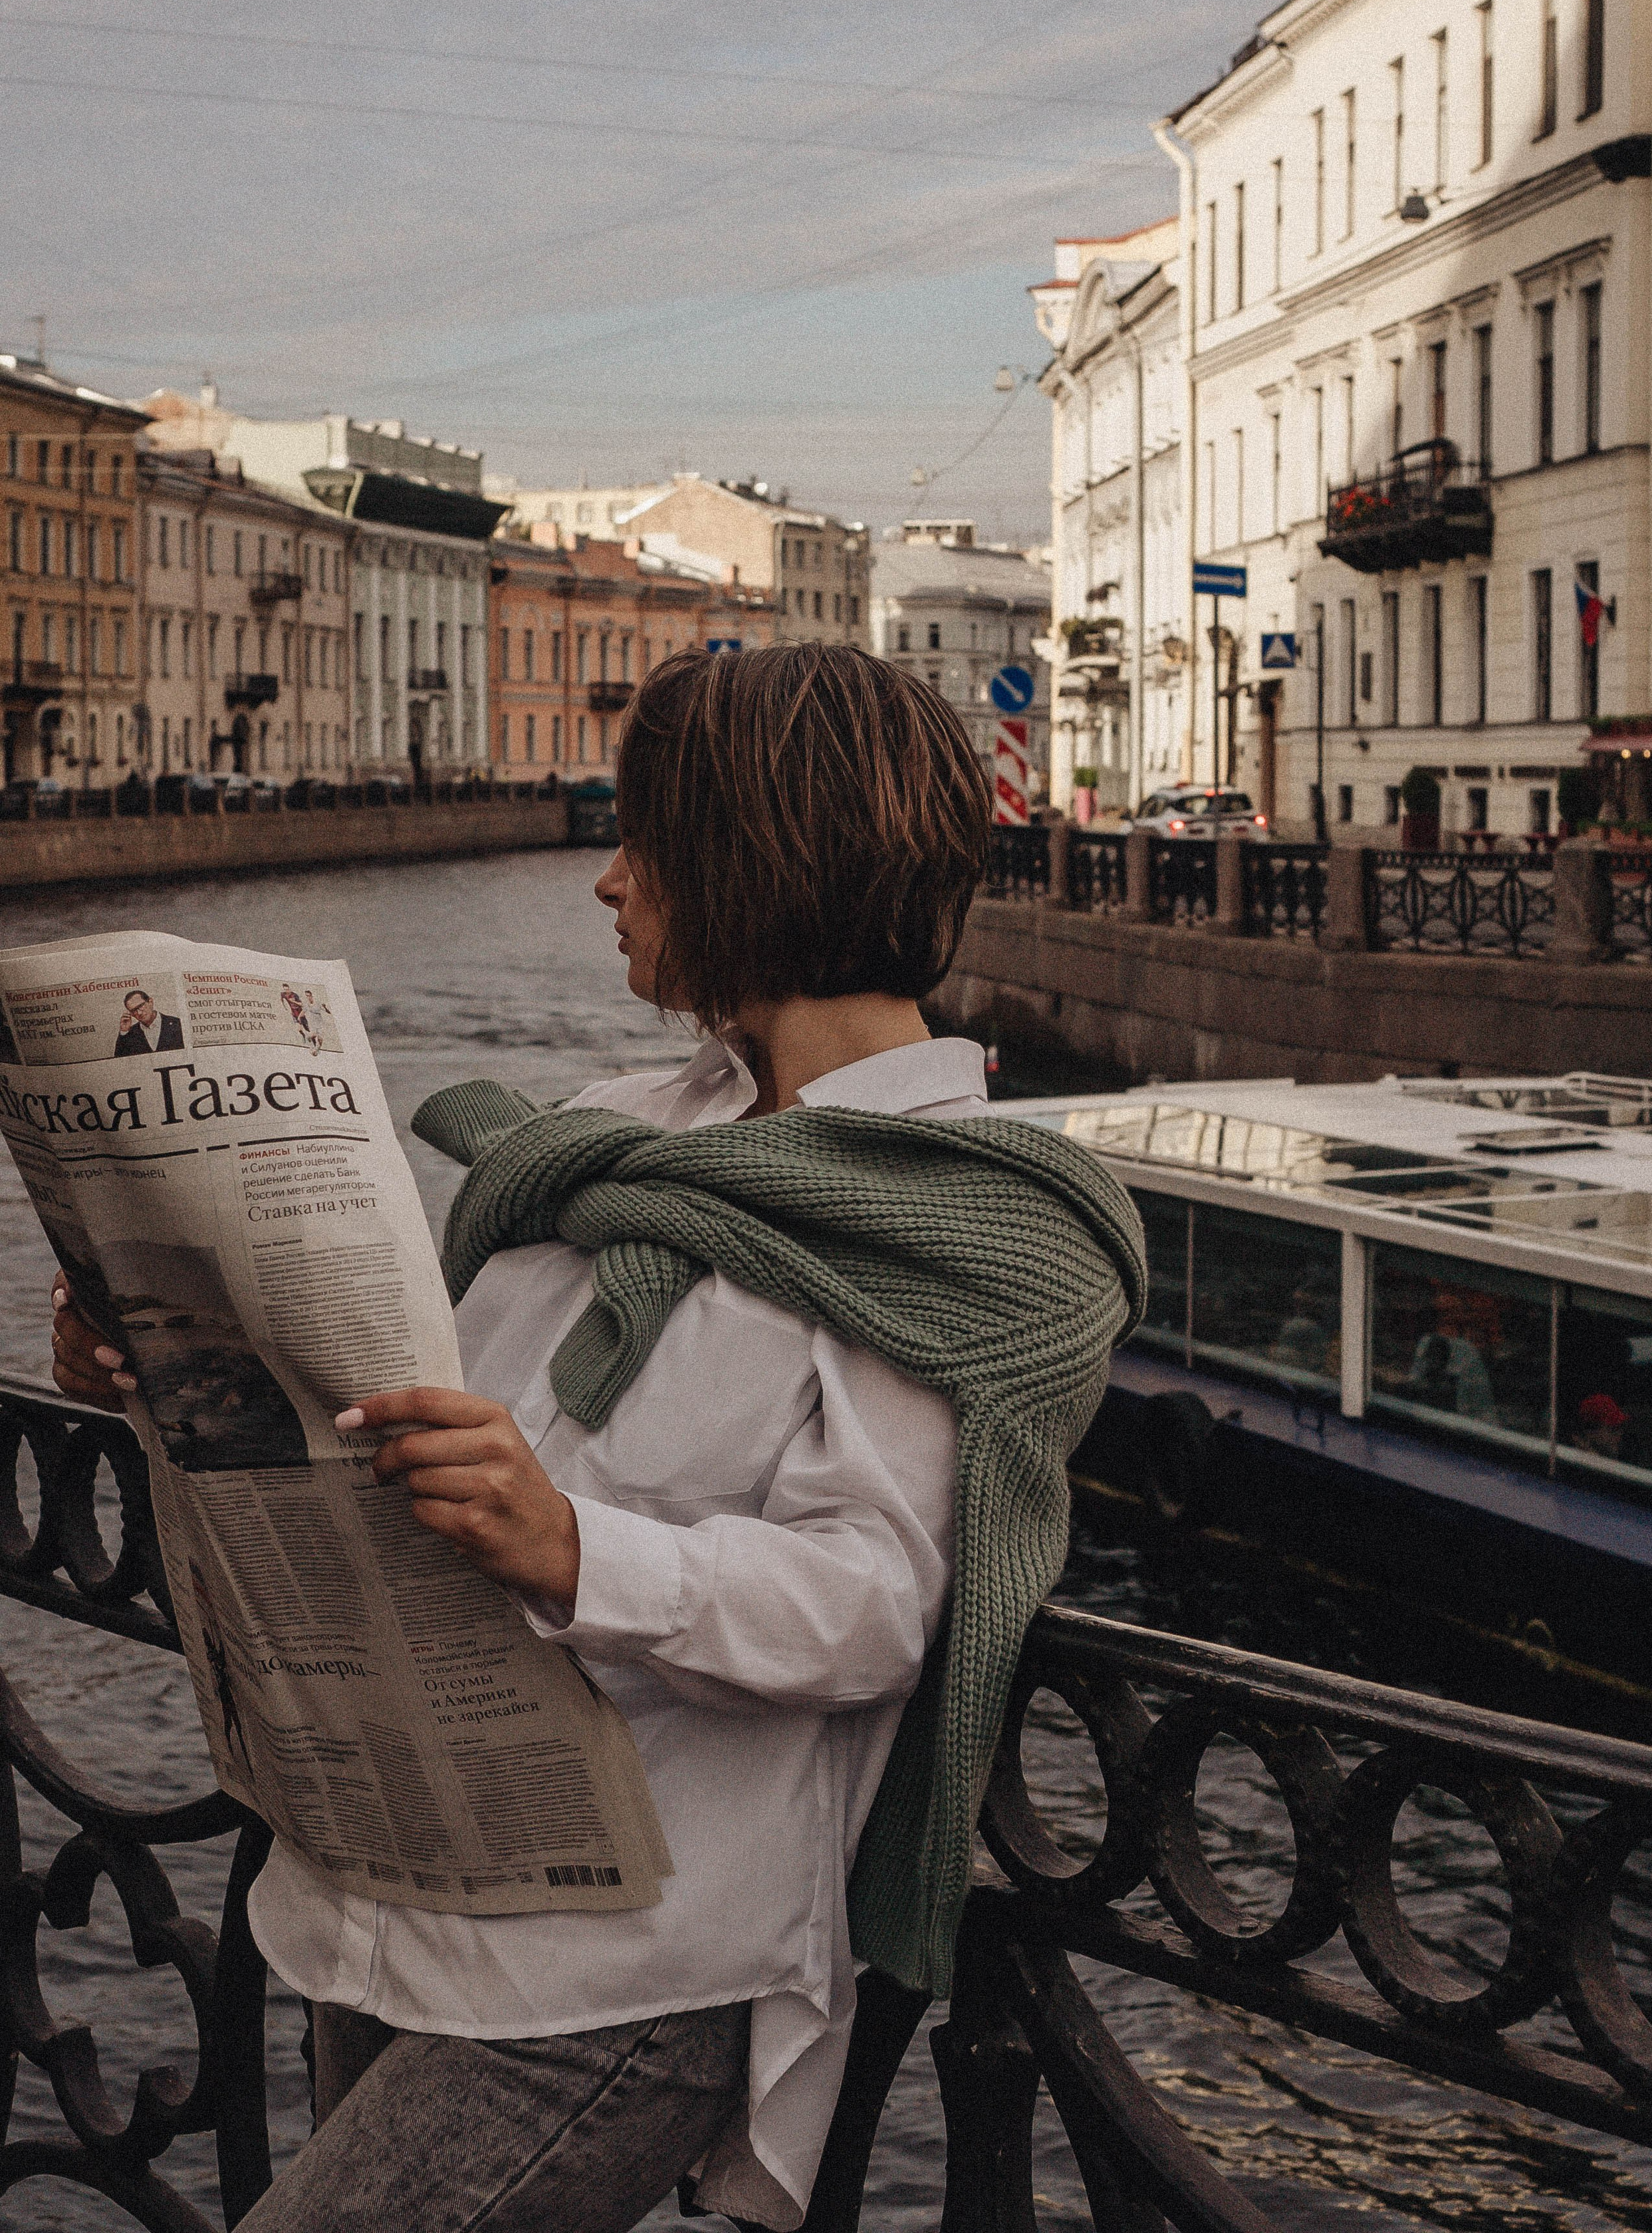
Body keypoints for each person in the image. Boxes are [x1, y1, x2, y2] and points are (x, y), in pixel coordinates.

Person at [51, 642, 1146, 2233]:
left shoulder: (955, 1216)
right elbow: (395, 1435)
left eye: (645, 839)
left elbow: (875, 1603)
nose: (609, 881)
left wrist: (568, 1546)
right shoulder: (611, 1136)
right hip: (392, 1874)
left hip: (623, 1961)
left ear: (758, 859)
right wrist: (160, 1362)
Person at [114, 987, 183, 1056]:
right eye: (133, 1011)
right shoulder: (130, 1033)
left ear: (150, 1002)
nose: (139, 1013)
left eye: (141, 1006)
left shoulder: (177, 1023)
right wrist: (124, 1032)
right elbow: (120, 1061)